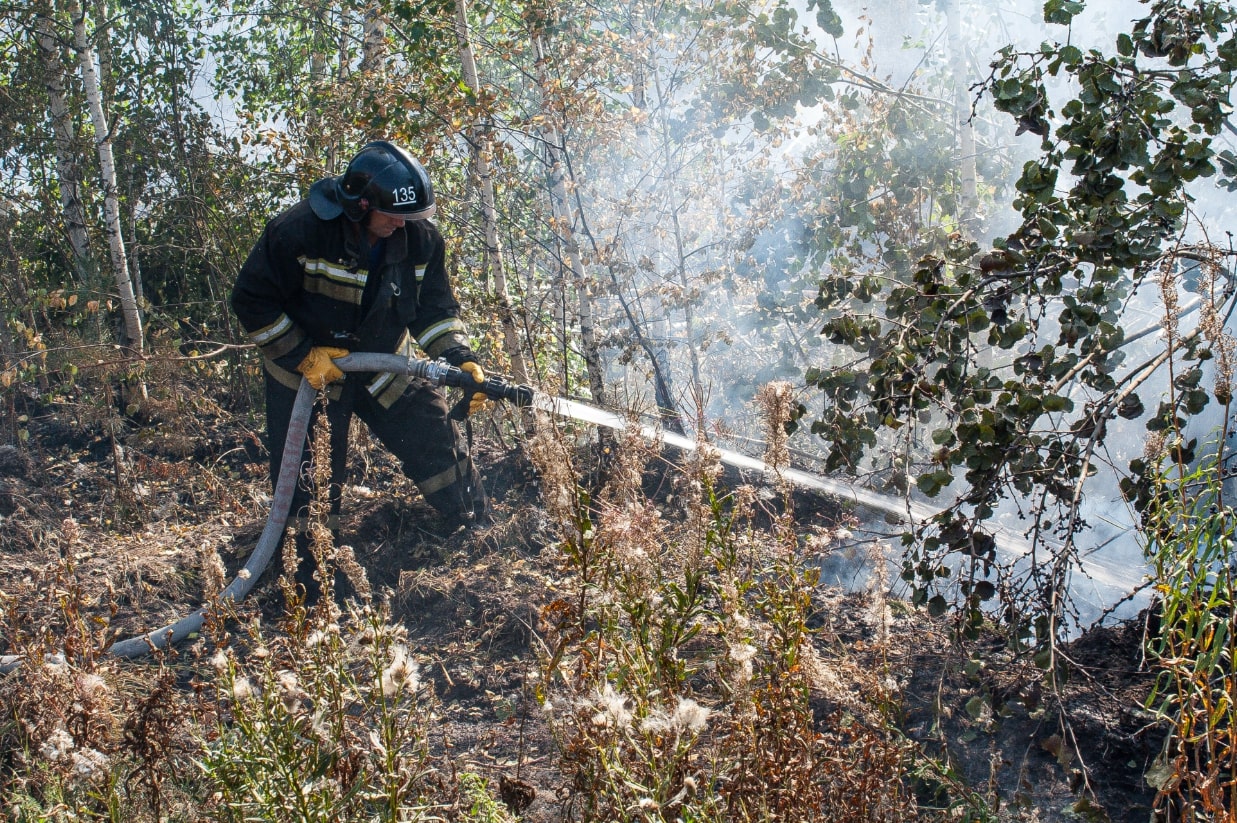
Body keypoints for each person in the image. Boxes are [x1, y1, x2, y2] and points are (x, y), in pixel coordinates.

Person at [230, 140, 492, 599]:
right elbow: (252, 301)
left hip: (382, 363)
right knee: (310, 478)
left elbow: (433, 311)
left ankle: (476, 529)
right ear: (359, 205)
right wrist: (301, 355)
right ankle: (309, 582)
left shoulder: (419, 240)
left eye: (411, 217)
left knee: (433, 437)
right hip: (308, 375)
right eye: (393, 216)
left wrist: (458, 354)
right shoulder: (299, 232)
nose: (402, 225)